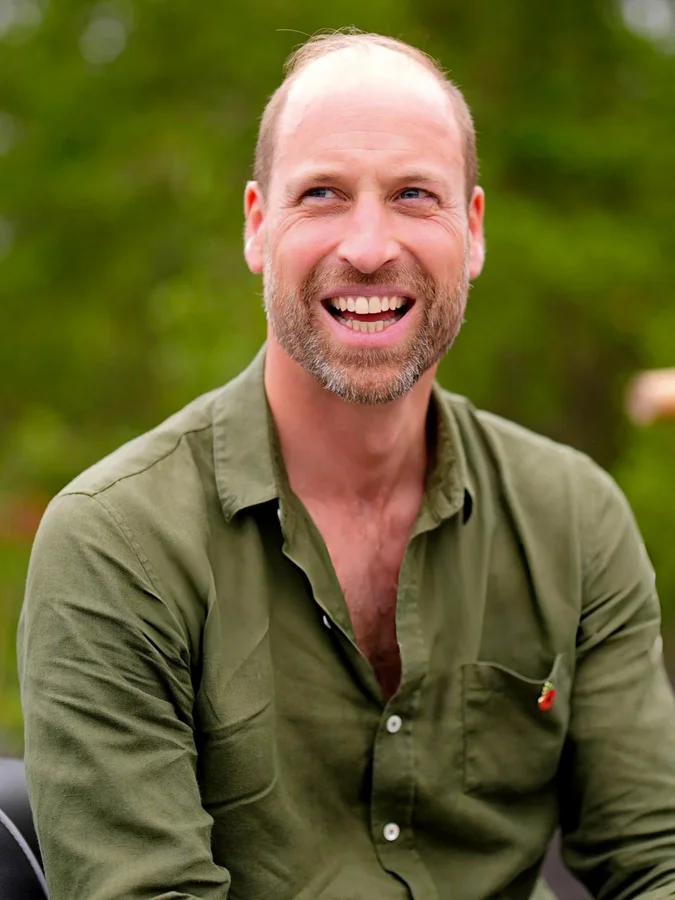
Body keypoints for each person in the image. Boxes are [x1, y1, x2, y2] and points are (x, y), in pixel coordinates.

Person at [17, 30, 675, 900]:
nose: (368, 246)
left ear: (471, 232)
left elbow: (653, 858)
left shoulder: (575, 519)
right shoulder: (114, 545)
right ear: (257, 225)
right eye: (322, 194)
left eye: (413, 195)